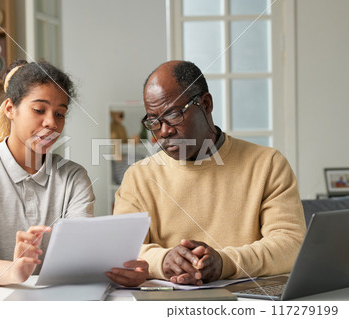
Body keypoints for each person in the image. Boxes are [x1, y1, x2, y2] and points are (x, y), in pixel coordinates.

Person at [0, 60, 147, 286]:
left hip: (48, 299)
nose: (51, 123)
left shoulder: (74, 178)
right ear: (10, 109)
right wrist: (14, 271)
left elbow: (78, 258)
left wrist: (123, 270)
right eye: (39, 110)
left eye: (60, 114)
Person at [113, 60, 306, 286]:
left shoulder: (268, 164)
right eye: (154, 121)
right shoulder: (138, 177)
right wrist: (163, 260)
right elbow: (121, 251)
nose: (164, 131)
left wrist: (226, 263)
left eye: (174, 114)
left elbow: (291, 245)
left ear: (205, 104)